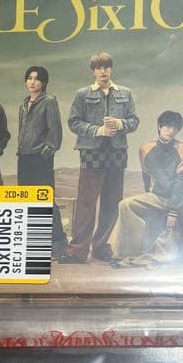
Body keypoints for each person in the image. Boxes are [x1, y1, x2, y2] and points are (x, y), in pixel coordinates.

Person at [109, 111, 183, 264]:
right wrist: (150, 203)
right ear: (159, 127)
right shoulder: (145, 149)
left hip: (181, 198)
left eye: (175, 128)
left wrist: (173, 211)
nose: (171, 131)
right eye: (167, 126)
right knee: (125, 205)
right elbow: (147, 178)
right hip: (156, 197)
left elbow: (181, 182)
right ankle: (126, 253)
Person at [60, 51, 139, 264]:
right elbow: (73, 122)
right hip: (91, 152)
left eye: (106, 67)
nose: (103, 71)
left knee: (112, 202)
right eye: (98, 68)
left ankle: (101, 246)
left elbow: (134, 121)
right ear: (93, 71)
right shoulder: (82, 94)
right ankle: (77, 251)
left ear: (111, 69)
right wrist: (98, 130)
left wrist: (120, 124)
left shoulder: (126, 93)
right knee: (86, 203)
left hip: (117, 152)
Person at [16, 65, 67, 256]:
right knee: (27, 200)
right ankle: (36, 243)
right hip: (24, 157)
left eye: (36, 79)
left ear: (43, 82)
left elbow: (55, 131)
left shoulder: (49, 101)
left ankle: (59, 244)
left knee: (45, 199)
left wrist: (46, 152)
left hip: (40, 158)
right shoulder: (24, 104)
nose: (32, 82)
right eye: (29, 78)